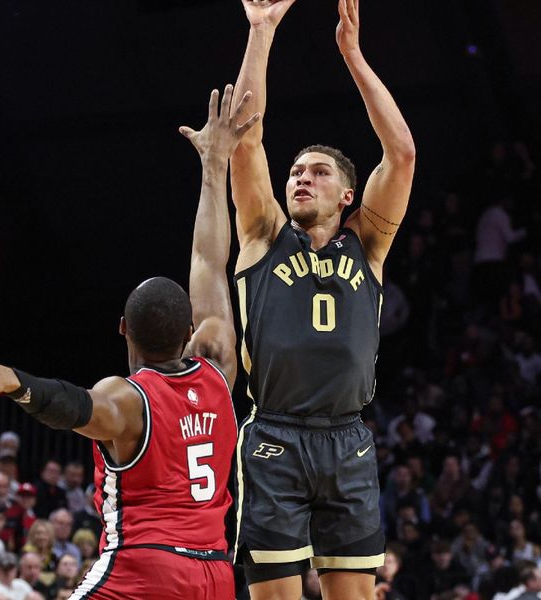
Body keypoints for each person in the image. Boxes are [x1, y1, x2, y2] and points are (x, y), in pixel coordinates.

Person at [0, 85, 253, 599]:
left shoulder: (128, 400)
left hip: (143, 568)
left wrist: (12, 381)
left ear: (123, 328)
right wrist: (214, 165)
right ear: (190, 328)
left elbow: (72, 406)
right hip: (215, 575)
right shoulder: (217, 362)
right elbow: (208, 260)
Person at [228, 0, 416, 597]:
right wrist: (260, 33)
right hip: (274, 435)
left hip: (347, 438)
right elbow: (245, 139)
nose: (300, 177)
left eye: (317, 172)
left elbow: (403, 154)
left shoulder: (370, 244)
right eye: (295, 171)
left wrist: (354, 56)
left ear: (346, 195)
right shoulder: (263, 236)